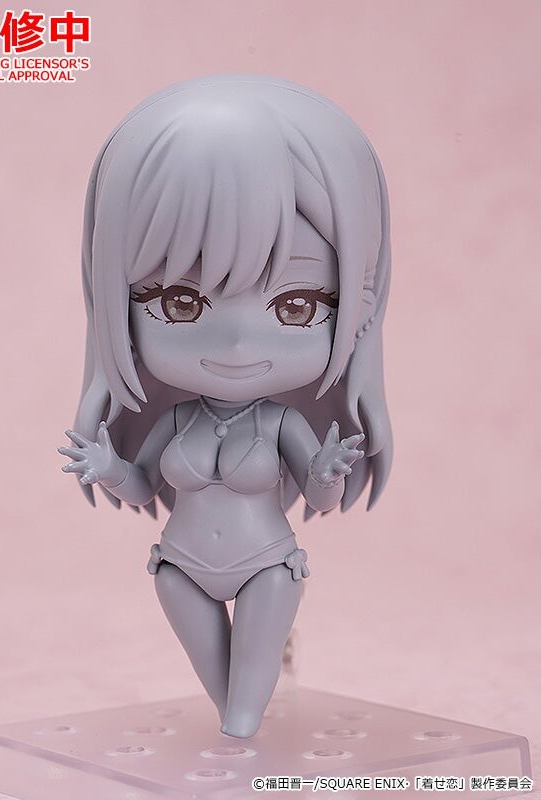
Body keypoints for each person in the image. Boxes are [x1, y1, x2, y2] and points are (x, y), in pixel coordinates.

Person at [59, 75, 392, 738]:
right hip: (178, 570)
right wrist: (107, 466)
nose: (238, 343)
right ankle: (238, 741)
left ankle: (243, 738)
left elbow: (319, 500)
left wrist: (327, 471)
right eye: (180, 302)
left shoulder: (281, 423)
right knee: (226, 705)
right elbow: (142, 484)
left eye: (297, 305)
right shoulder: (176, 421)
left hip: (268, 567)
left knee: (244, 712)